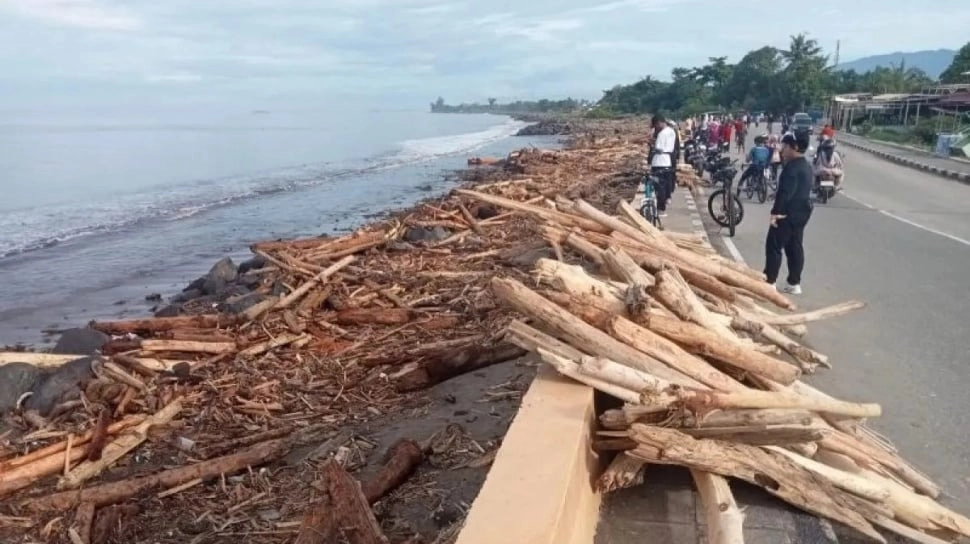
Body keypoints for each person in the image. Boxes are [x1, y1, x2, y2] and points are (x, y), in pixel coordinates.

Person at [764, 131, 814, 295]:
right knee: (794, 246)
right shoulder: (806, 166)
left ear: (795, 147)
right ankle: (794, 282)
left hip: (787, 214)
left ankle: (769, 281)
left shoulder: (791, 168)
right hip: (802, 213)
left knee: (774, 245)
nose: (782, 150)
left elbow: (785, 192)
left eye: (785, 146)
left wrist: (776, 212)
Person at [648, 115, 677, 217]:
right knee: (665, 183)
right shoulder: (672, 131)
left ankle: (661, 208)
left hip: (659, 161)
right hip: (667, 160)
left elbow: (658, 148)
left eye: (656, 124)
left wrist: (652, 144)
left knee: (659, 186)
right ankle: (666, 200)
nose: (656, 127)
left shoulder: (662, 134)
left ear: (659, 122)